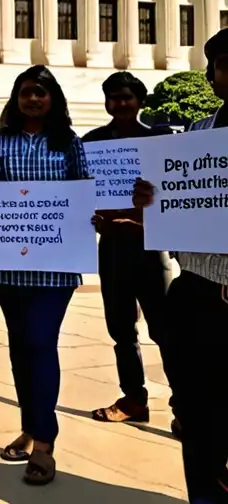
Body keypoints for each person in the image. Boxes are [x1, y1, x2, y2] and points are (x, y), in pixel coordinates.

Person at [134, 28, 228, 504]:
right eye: (225, 64)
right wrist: (151, 202)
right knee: (198, 413)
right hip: (199, 294)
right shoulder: (191, 139)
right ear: (212, 77)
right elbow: (169, 211)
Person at [0, 65, 89, 486]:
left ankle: (44, 443)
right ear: (16, 98)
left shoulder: (69, 145)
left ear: (54, 100)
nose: (33, 99)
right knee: (17, 347)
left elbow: (86, 192)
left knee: (40, 342)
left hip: (55, 266)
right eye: (27, 92)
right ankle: (31, 425)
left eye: (41, 93)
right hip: (8, 264)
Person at [83, 72, 175, 427]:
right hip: (113, 247)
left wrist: (141, 221)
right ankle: (134, 398)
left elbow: (174, 196)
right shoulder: (93, 143)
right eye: (114, 97)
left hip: (150, 248)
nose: (121, 103)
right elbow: (81, 193)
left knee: (164, 329)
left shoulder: (157, 142)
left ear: (140, 102)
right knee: (120, 328)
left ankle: (183, 406)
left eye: (127, 97)